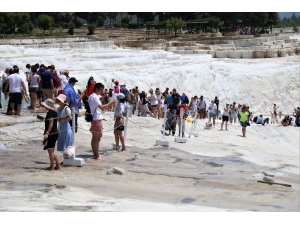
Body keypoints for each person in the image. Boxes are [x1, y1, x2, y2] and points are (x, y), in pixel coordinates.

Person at [89, 83, 115, 160]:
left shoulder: (91, 96)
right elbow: (102, 107)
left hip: (94, 118)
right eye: (101, 89)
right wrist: (110, 103)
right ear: (97, 89)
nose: (102, 91)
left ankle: (95, 154)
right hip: (96, 118)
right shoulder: (95, 97)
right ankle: (96, 155)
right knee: (96, 137)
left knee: (96, 137)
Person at [41, 98, 59, 170]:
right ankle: (57, 165)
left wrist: (47, 133)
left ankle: (51, 166)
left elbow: (51, 124)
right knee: (52, 150)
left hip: (51, 134)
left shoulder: (50, 113)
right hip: (55, 133)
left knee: (50, 151)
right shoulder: (54, 112)